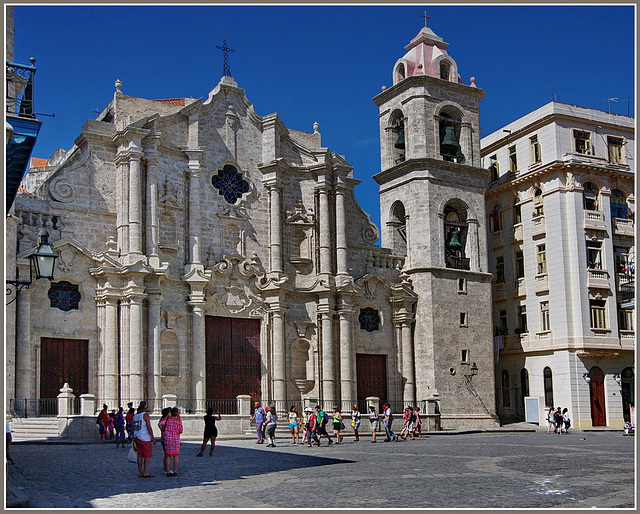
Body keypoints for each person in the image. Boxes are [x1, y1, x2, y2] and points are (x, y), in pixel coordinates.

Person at [133, 401, 156, 478]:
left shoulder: (135, 415)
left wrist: (133, 435)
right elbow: (148, 427)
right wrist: (152, 437)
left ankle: (140, 471)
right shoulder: (145, 415)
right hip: (144, 437)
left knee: (139, 455)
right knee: (147, 456)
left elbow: (132, 427)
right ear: (145, 407)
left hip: (137, 437)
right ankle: (146, 471)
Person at [159, 407, 183, 476]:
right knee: (175, 455)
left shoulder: (167, 419)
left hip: (167, 438)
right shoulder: (179, 421)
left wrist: (163, 430)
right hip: (175, 438)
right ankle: (175, 471)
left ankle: (168, 471)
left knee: (168, 455)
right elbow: (181, 430)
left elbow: (160, 424)